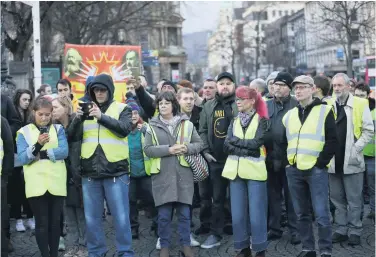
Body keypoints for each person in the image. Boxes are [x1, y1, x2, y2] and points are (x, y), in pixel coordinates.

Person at [68, 74, 134, 256]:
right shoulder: (84, 110)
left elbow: (124, 130)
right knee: (92, 220)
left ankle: (125, 253)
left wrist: (102, 117)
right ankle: (96, 253)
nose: (99, 93)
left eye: (102, 89)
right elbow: (71, 136)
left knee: (121, 219)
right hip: (90, 172)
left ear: (110, 90)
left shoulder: (123, 108)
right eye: (95, 90)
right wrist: (77, 119)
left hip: (116, 172)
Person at [144, 91, 204, 257]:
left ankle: (186, 245)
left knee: (185, 215)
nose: (163, 106)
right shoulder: (151, 126)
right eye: (160, 103)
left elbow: (199, 144)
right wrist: (168, 150)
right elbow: (147, 150)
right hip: (162, 176)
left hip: (183, 175)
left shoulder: (187, 124)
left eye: (166, 103)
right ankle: (164, 246)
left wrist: (187, 148)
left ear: (173, 105)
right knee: (163, 217)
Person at [283, 75, 337, 257]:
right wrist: (288, 163)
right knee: (301, 214)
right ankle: (308, 249)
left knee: (322, 214)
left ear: (312, 89)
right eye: (295, 88)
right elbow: (284, 141)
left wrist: (321, 163)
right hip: (294, 170)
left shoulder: (325, 110)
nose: (297, 91)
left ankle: (325, 251)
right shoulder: (289, 115)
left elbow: (332, 141)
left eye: (302, 87)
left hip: (316, 170)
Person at [16, 97, 68, 257]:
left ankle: (54, 255)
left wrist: (42, 153)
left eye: (47, 114)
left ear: (52, 114)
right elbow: (23, 158)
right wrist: (37, 145)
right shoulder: (23, 132)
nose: (44, 118)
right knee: (42, 223)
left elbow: (64, 152)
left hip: (56, 182)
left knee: (55, 223)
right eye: (41, 114)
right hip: (36, 184)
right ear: (33, 112)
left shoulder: (58, 129)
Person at [223, 86, 269, 257]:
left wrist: (236, 143)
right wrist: (242, 145)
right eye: (237, 99)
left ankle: (259, 249)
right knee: (238, 215)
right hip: (235, 173)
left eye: (241, 99)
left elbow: (256, 144)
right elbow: (226, 145)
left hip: (255, 173)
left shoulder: (262, 120)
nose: (238, 102)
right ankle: (243, 248)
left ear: (252, 101)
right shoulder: (234, 120)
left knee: (257, 215)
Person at [329, 73, 374, 246]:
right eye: (334, 86)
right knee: (337, 198)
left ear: (349, 86)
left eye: (340, 85)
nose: (337, 89)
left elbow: (368, 130)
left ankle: (355, 229)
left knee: (354, 199)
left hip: (352, 159)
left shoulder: (360, 104)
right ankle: (341, 229)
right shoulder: (329, 104)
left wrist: (356, 149)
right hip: (333, 160)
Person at [198, 72, 237, 249]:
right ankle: (215, 233)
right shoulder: (209, 106)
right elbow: (203, 130)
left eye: (228, 83)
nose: (225, 86)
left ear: (234, 85)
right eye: (221, 83)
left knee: (238, 198)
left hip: (237, 159)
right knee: (217, 199)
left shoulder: (240, 103)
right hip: (215, 160)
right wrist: (205, 151)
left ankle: (243, 232)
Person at [264, 72, 299, 244]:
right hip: (269, 158)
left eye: (282, 85)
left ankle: (295, 230)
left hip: (290, 160)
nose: (277, 87)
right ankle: (275, 228)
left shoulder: (296, 105)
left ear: (289, 88)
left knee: (292, 197)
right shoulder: (265, 105)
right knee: (273, 196)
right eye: (275, 84)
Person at [52, 96, 87, 256]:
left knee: (81, 216)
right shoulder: (54, 128)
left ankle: (84, 247)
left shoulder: (78, 123)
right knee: (68, 217)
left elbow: (69, 136)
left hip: (79, 176)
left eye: (56, 107)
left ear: (66, 108)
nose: (52, 111)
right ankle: (72, 246)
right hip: (63, 177)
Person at [125, 98, 157, 239]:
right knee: (131, 201)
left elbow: (156, 142)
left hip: (146, 172)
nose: (133, 115)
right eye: (130, 113)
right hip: (129, 174)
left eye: (135, 113)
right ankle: (133, 228)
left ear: (139, 115)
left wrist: (145, 131)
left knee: (152, 199)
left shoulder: (146, 128)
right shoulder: (122, 131)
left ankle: (157, 226)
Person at [10, 89, 34, 232]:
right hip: (14, 154)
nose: (27, 102)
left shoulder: (30, 115)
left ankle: (30, 217)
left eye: (29, 100)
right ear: (18, 99)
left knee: (28, 188)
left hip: (27, 154)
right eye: (24, 99)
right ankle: (18, 218)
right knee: (16, 188)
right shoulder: (13, 115)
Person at [354, 82, 376, 222]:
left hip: (372, 156)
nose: (359, 99)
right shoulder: (353, 110)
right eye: (356, 95)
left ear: (368, 96)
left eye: (362, 96)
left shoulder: (374, 111)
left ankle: (374, 213)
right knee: (358, 190)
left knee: (373, 188)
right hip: (357, 155)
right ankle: (359, 214)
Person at [1, 117, 15, 257]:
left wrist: (5, 175)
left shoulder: (1, 121)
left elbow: (9, 149)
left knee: (2, 213)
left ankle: (4, 243)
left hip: (0, 177)